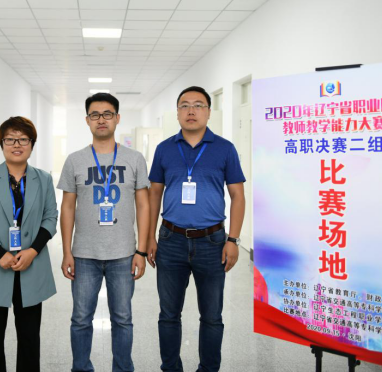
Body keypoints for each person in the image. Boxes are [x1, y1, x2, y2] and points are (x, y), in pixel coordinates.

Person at [147, 86, 246, 372]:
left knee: (212, 316)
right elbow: (154, 195)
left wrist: (233, 239)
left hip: (212, 242)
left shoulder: (225, 148)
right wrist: (149, 237)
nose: (191, 111)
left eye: (198, 105)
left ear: (209, 112)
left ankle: (208, 369)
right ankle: (170, 368)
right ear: (177, 112)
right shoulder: (165, 148)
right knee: (168, 314)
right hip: (171, 240)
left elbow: (238, 196)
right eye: (185, 105)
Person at [57, 92, 150, 372]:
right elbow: (67, 207)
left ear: (117, 118)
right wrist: (66, 252)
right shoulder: (75, 160)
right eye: (95, 114)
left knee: (122, 319)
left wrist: (141, 250)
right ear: (87, 120)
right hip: (84, 255)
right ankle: (81, 368)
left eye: (107, 114)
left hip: (124, 254)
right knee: (80, 319)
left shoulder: (134, 159)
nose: (101, 119)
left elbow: (144, 205)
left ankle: (122, 368)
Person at [0, 116, 58, 372]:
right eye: (10, 139)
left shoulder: (43, 179)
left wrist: (32, 251)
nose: (17, 144)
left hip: (31, 266)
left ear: (32, 144)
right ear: (2, 143)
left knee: (29, 339)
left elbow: (51, 218)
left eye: (23, 139)